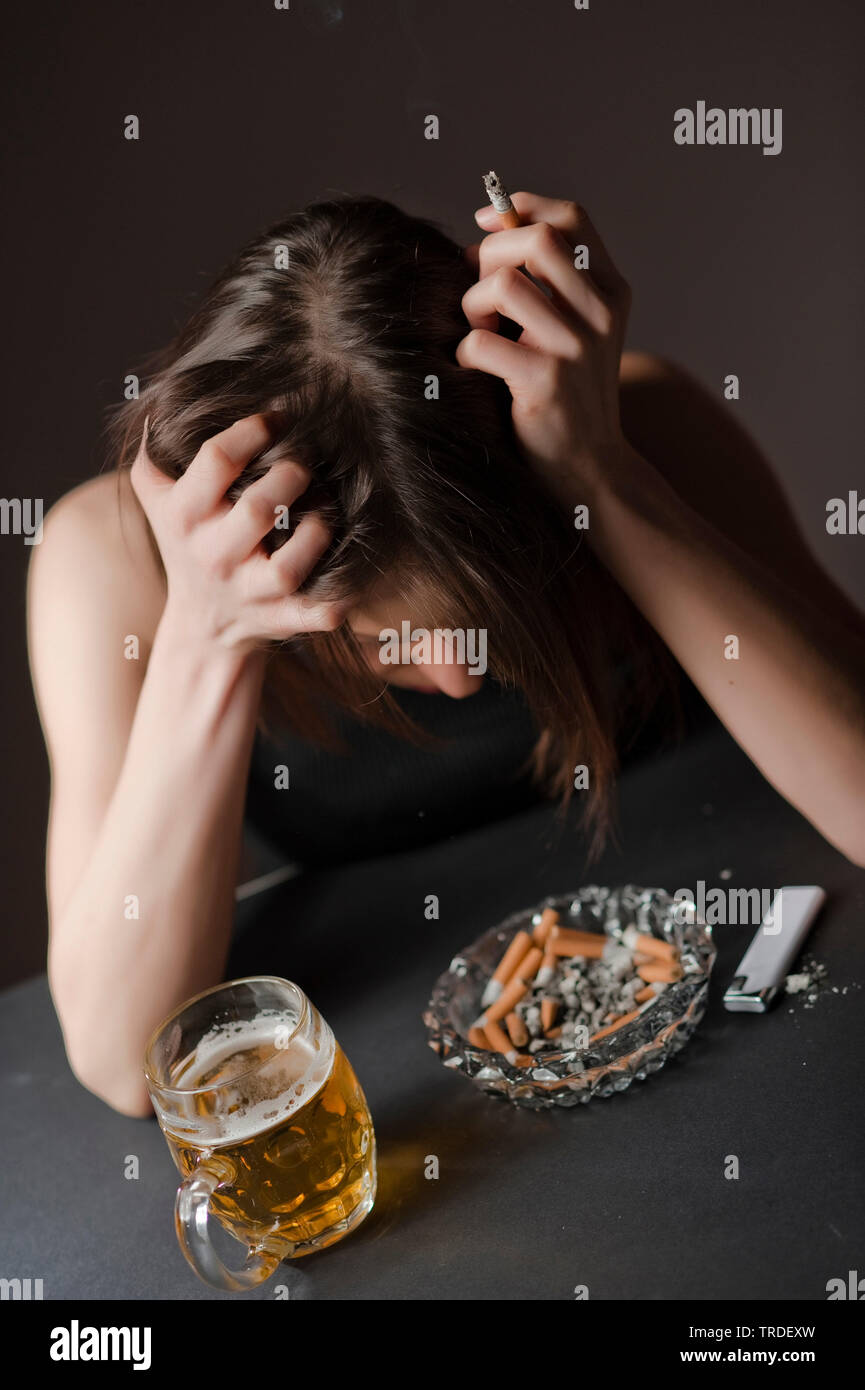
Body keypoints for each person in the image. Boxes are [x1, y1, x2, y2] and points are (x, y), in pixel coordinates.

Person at [26, 191, 865, 1117]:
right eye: (374, 639)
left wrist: (600, 476)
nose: (460, 676)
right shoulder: (108, 565)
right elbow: (124, 1057)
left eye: (489, 612)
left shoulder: (640, 434)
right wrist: (206, 637)